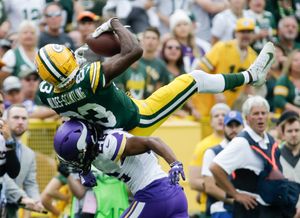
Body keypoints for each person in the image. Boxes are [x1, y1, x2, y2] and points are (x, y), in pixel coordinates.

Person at [36, 17, 275, 137]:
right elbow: (135, 50)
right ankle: (252, 76)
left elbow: (65, 85)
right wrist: (114, 24)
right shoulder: (88, 78)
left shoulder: (46, 93)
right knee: (195, 79)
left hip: (112, 130)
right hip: (139, 119)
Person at [53, 119, 188, 218]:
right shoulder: (92, 145)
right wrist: (86, 170)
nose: (76, 161)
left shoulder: (109, 145)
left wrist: (174, 163)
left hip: (153, 194)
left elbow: (152, 141)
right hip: (176, 195)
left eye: (76, 157)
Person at [210, 96, 299, 218]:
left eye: (263, 113)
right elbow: (215, 167)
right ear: (247, 118)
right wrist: (235, 195)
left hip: (272, 209)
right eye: (256, 114)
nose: (260, 117)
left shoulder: (269, 139)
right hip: (250, 210)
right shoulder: (241, 142)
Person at [189, 103, 230, 217]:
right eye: (216, 116)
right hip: (210, 208)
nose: (221, 118)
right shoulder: (203, 146)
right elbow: (193, 181)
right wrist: (215, 185)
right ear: (211, 122)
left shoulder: (237, 143)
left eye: (224, 115)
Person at [4, 104, 44, 217]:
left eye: (24, 118)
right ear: (6, 120)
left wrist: (36, 201)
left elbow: (30, 183)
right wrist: (22, 197)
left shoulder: (29, 154)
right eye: (16, 117)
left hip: (12, 211)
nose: (20, 121)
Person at [201, 110, 244, 218]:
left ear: (243, 126)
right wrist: (236, 200)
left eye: (237, 125)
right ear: (224, 127)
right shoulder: (212, 152)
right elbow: (210, 187)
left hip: (246, 207)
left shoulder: (249, 150)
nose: (233, 129)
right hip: (221, 208)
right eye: (230, 125)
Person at [278, 111, 300, 218]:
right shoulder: (276, 156)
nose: (294, 134)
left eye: (297, 130)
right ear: (283, 134)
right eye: (290, 131)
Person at [274, 49, 300, 114]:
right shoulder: (284, 80)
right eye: (296, 60)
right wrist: (298, 111)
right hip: (286, 117)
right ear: (290, 63)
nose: (299, 63)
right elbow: (279, 101)